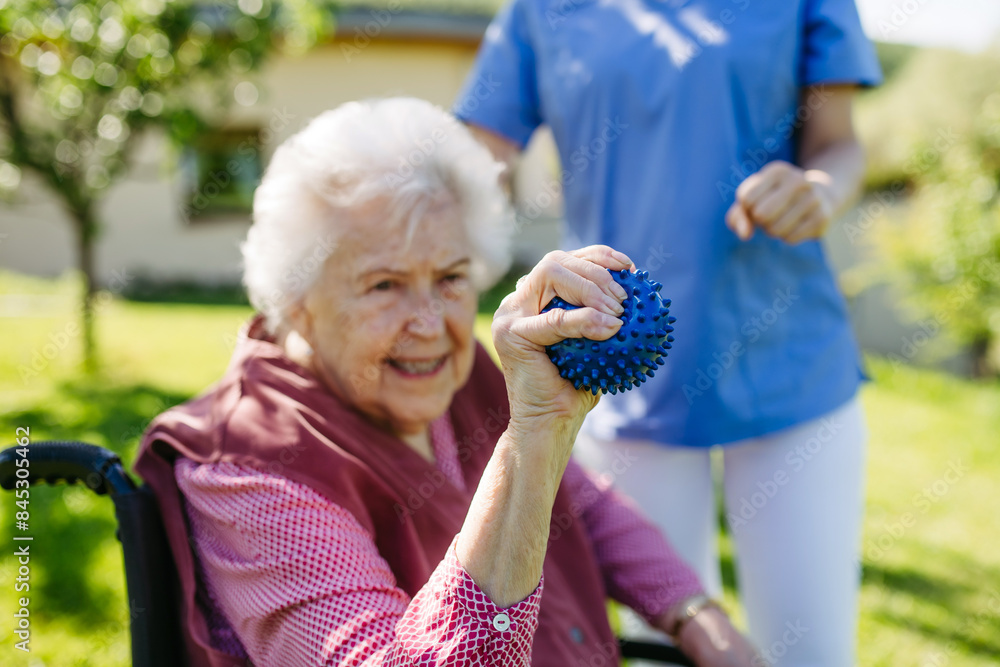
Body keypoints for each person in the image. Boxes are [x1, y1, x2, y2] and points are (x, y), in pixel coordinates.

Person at [134, 97, 758, 666]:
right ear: (295, 299)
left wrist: (694, 614)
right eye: (384, 285)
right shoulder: (248, 467)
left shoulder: (463, 377)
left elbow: (581, 505)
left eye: (452, 278)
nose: (431, 325)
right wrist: (535, 433)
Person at [454, 1, 881, 664]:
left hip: (790, 366)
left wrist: (819, 189)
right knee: (671, 648)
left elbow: (838, 143)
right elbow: (477, 162)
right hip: (614, 379)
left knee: (810, 653)